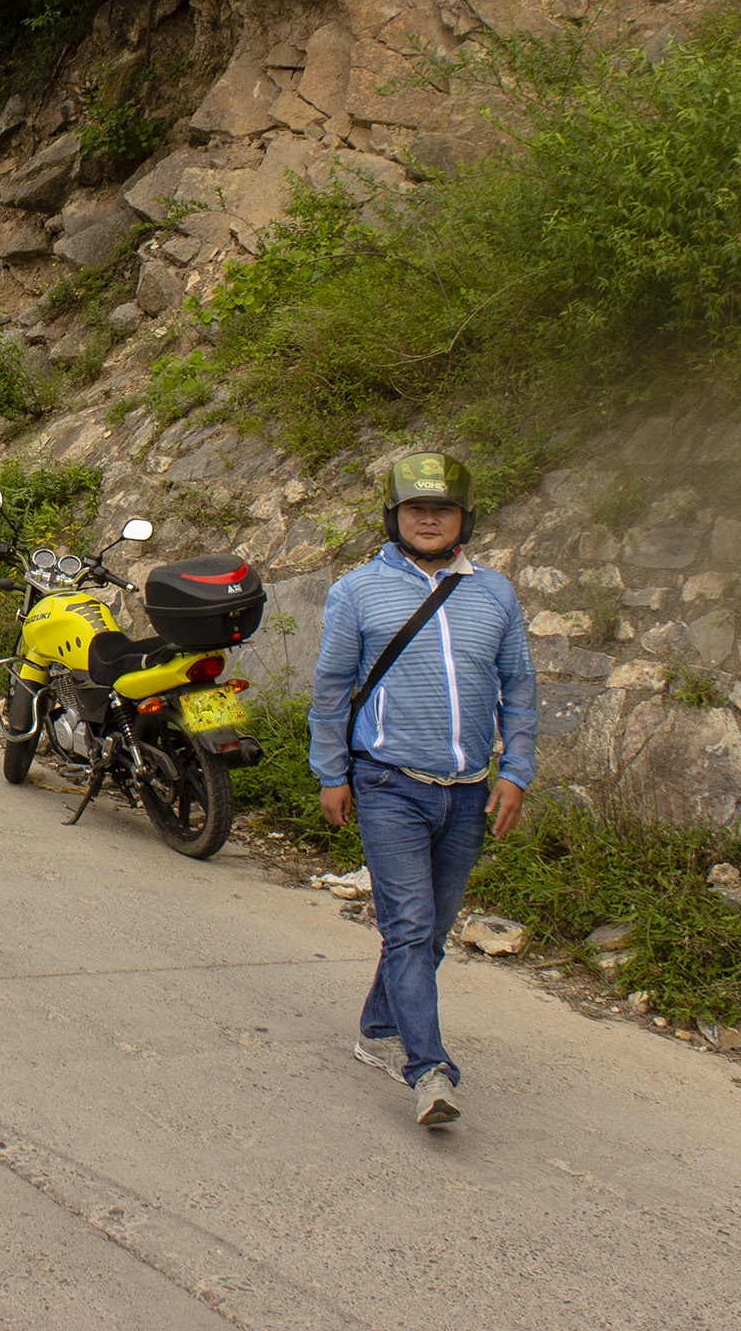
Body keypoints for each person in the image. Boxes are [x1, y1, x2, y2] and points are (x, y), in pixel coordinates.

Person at [308, 450, 535, 1127]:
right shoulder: (357, 591)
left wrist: (516, 771)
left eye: (441, 509)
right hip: (387, 784)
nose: (429, 519)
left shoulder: (495, 592)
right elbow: (328, 693)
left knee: (429, 932)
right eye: (416, 509)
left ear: (465, 518)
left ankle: (378, 1027)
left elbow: (520, 688)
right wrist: (332, 774)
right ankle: (429, 1070)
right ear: (395, 517)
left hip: (467, 791)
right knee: (408, 926)